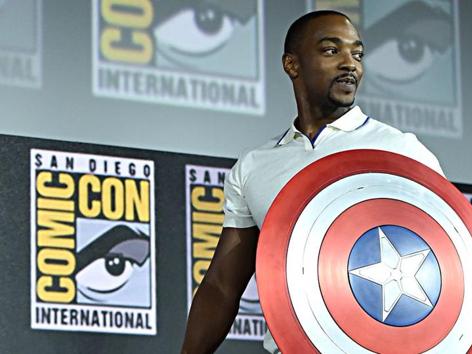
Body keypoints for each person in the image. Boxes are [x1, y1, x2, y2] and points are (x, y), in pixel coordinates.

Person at [180, 10, 444, 354]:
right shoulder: (255, 167)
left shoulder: (402, 151)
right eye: (332, 51)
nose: (350, 64)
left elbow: (449, 269)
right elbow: (221, 287)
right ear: (292, 65)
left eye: (358, 54)